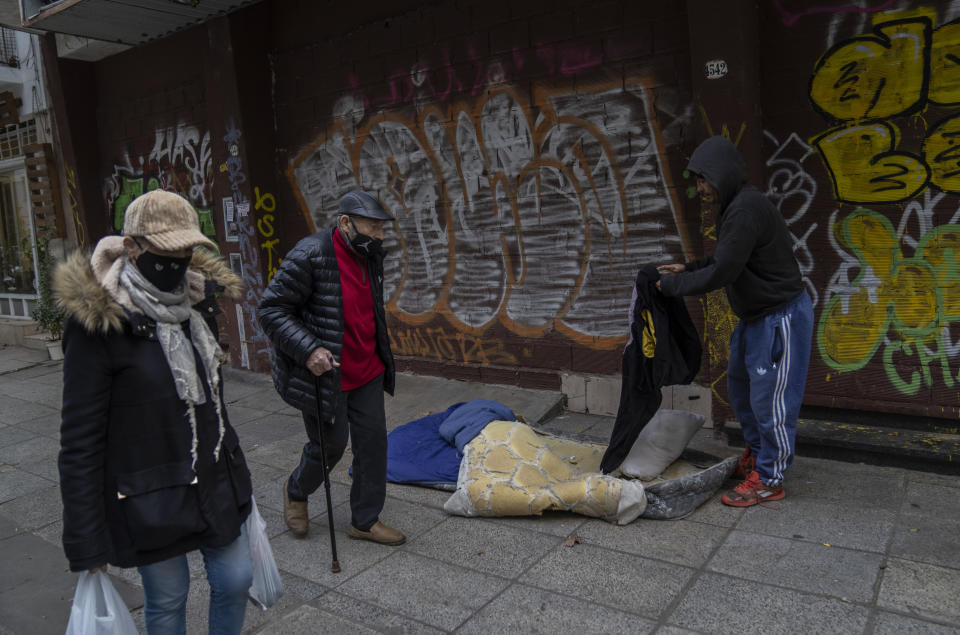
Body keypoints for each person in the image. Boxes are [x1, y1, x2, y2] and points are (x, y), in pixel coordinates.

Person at [55, 189, 254, 634]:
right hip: (148, 490)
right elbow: (80, 439)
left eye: (185, 249)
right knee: (167, 599)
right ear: (131, 247)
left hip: (213, 474)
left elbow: (212, 400)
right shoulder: (97, 323)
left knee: (237, 578)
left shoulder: (195, 302)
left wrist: (238, 473)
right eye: (165, 250)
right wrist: (87, 541)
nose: (178, 260)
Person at [657, 135, 813, 507]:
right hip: (755, 318)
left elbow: (724, 271)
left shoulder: (745, 208)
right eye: (697, 180)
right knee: (742, 392)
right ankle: (758, 457)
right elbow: (727, 258)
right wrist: (689, 267)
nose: (700, 188)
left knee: (771, 399)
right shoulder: (734, 207)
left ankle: (770, 478)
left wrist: (672, 285)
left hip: (780, 319)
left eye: (703, 179)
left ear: (722, 174)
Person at [257, 189, 403, 545]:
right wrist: (308, 350)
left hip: (367, 368)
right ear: (345, 223)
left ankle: (364, 521)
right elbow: (271, 310)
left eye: (383, 229)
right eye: (374, 228)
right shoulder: (311, 254)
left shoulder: (370, 254)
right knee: (329, 447)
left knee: (372, 445)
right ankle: (296, 490)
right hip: (327, 373)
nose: (380, 237)